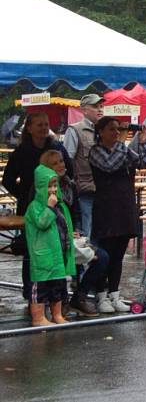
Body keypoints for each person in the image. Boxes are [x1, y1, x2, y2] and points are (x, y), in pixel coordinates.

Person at [2, 112, 72, 301]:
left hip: (56, 206)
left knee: (56, 248)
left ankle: (56, 293)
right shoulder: (21, 151)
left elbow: (69, 170)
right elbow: (8, 180)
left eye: (46, 124)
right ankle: (30, 291)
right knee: (32, 250)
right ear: (30, 128)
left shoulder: (56, 147)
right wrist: (25, 196)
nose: (43, 128)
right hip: (30, 208)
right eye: (39, 125)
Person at [89, 116, 146, 312]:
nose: (116, 133)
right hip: (106, 208)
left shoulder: (123, 150)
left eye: (118, 129)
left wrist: (142, 143)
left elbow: (144, 162)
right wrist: (125, 145)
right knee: (105, 253)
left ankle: (114, 294)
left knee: (118, 254)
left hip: (125, 206)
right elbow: (109, 165)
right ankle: (101, 295)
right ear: (100, 132)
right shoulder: (95, 151)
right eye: (112, 129)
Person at [39, 150, 108, 315]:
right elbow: (42, 219)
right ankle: (59, 304)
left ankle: (80, 296)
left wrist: (76, 230)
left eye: (61, 161)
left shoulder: (70, 184)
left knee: (103, 257)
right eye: (55, 163)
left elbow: (76, 213)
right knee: (64, 264)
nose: (61, 165)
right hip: (53, 240)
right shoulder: (41, 189)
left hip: (71, 237)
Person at [24, 165, 76, 326]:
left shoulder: (59, 206)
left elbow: (64, 225)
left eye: (55, 185)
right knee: (40, 290)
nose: (53, 189)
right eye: (49, 186)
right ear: (40, 187)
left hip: (57, 255)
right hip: (42, 257)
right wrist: (49, 208)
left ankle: (57, 315)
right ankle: (39, 318)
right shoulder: (35, 207)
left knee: (58, 288)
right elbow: (42, 223)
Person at [63, 93, 105, 241]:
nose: (100, 110)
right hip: (84, 190)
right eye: (95, 107)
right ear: (84, 110)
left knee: (101, 232)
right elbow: (67, 161)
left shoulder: (105, 131)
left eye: (101, 106)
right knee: (87, 232)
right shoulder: (75, 130)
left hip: (103, 190)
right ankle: (86, 263)